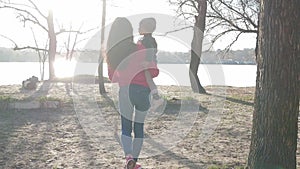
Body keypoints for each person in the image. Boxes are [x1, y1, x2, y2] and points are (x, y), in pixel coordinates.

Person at [106, 17, 159, 169]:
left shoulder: (111, 53)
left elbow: (112, 77)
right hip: (143, 91)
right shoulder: (140, 48)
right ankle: (134, 161)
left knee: (126, 127)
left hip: (125, 91)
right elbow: (152, 70)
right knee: (139, 128)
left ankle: (128, 158)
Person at [137, 17, 164, 112]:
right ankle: (154, 98)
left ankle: (156, 98)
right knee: (148, 81)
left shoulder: (148, 40)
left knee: (148, 80)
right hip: (149, 64)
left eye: (140, 27)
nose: (138, 29)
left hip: (148, 64)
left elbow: (151, 51)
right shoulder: (147, 39)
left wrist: (147, 61)